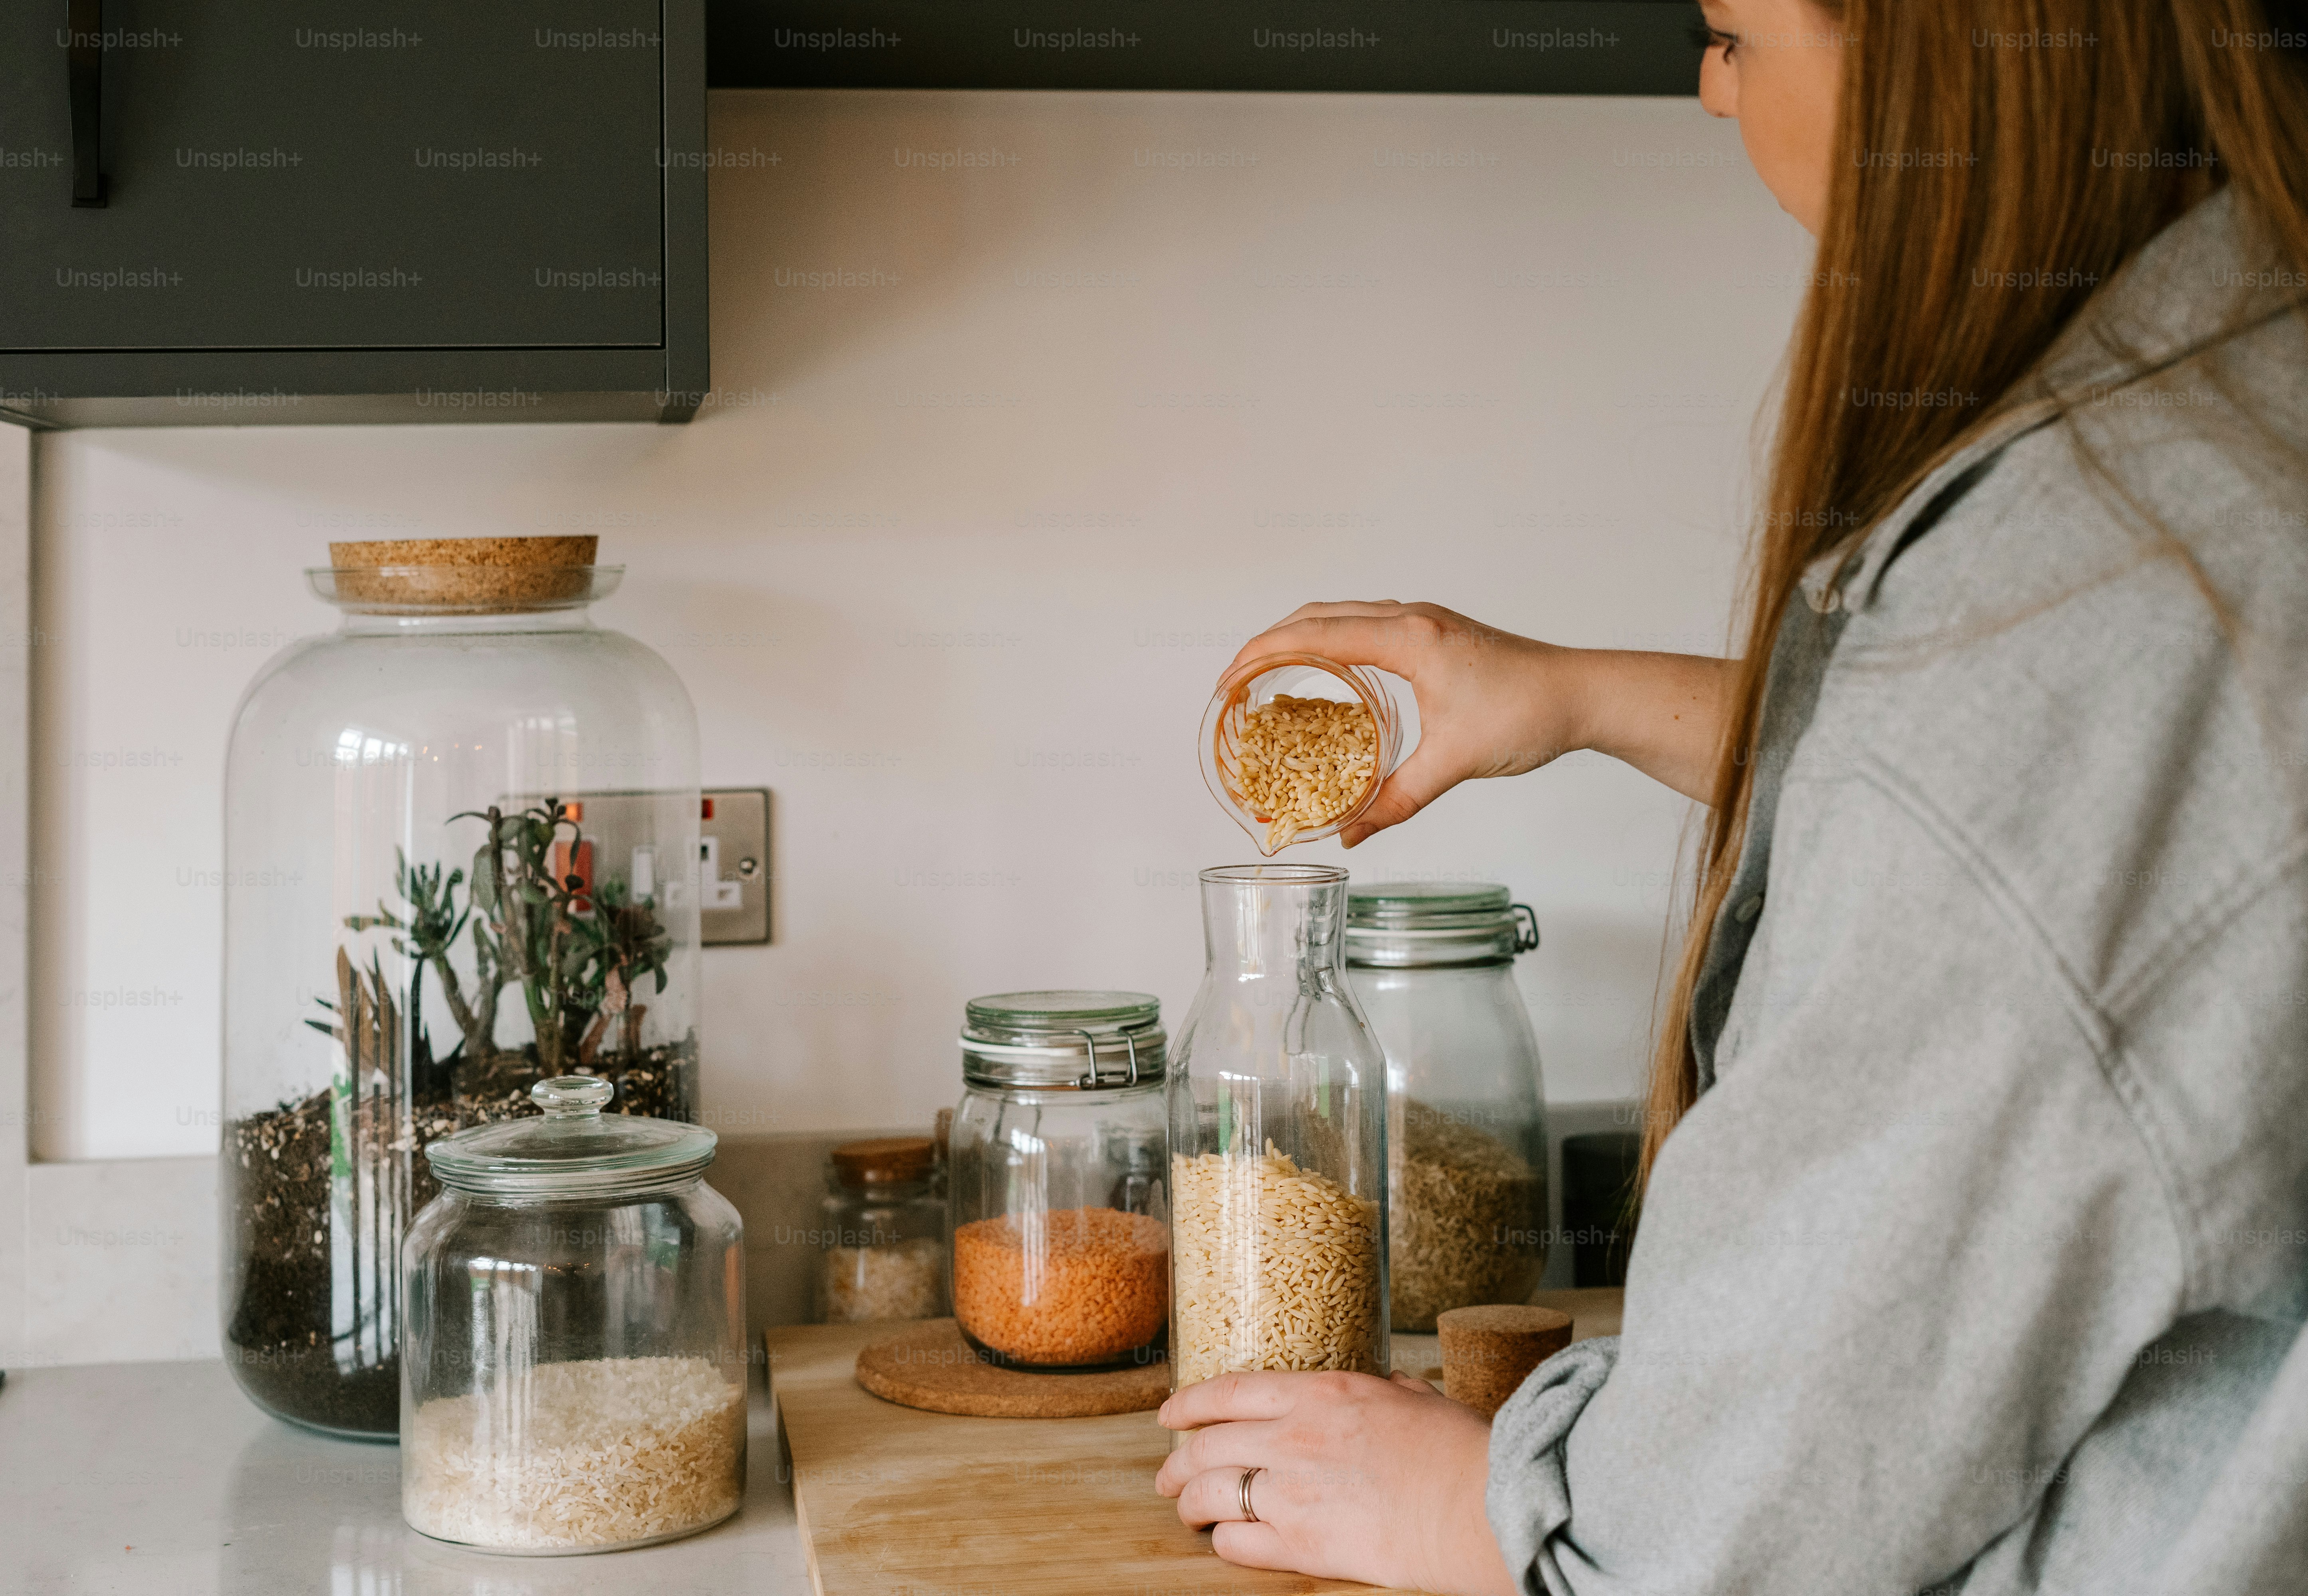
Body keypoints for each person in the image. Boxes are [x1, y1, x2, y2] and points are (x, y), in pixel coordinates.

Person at [1153, 0, 2308, 1591]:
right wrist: (1568, 695)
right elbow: (2045, 846)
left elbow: (1737, 1529)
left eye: (1730, 30)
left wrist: (1482, 1509)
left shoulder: (2099, 583)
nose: (1710, 87)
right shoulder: (2250, 402)